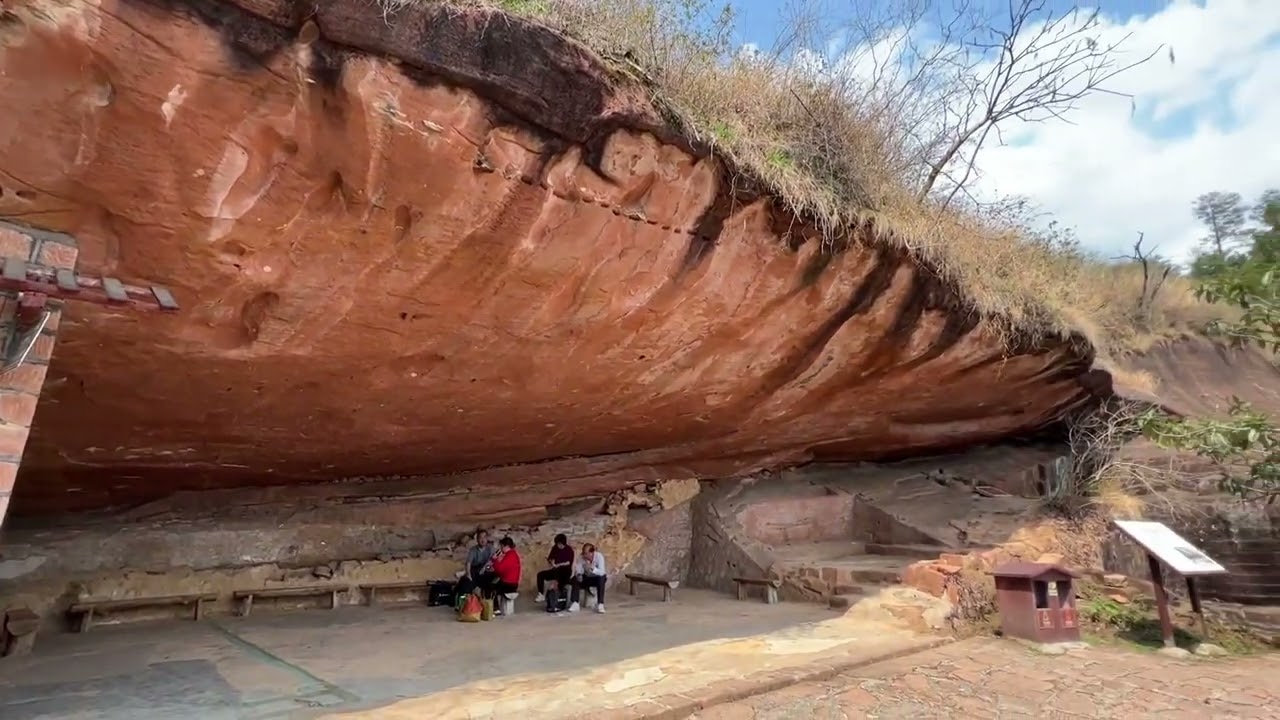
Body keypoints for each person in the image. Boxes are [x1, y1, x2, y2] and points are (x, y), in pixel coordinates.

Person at [453, 528, 494, 606]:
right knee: (465, 583)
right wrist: (469, 575)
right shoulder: (473, 550)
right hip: (475, 572)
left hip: (486, 571)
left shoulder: (490, 548)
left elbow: (492, 562)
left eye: (484, 537)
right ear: (477, 540)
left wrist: (486, 568)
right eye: (480, 537)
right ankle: (462, 604)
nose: (482, 540)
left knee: (490, 581)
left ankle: (491, 605)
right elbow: (468, 563)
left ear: (487, 538)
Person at [481, 536, 522, 613]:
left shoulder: (510, 555)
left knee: (489, 587)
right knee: (493, 583)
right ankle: (495, 607)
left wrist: (495, 560)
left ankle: (495, 608)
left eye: (502, 546)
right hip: (512, 583)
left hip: (509, 584)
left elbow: (499, 569)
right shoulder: (513, 554)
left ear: (506, 546)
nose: (501, 549)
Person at [534, 534, 575, 605]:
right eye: (557, 544)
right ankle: (541, 594)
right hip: (555, 570)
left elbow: (568, 562)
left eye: (560, 544)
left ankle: (557, 597)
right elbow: (550, 558)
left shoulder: (569, 550)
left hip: (565, 572)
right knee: (540, 575)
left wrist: (559, 564)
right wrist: (551, 561)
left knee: (559, 575)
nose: (558, 546)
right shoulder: (555, 548)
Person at [568, 543, 607, 614]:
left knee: (602, 578)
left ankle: (600, 604)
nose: (585, 555)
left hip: (596, 578)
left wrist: (592, 568)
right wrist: (579, 574)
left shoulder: (599, 556)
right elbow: (579, 568)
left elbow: (602, 572)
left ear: (592, 552)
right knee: (575, 578)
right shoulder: (581, 557)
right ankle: (575, 603)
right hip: (586, 578)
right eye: (584, 553)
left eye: (586, 553)